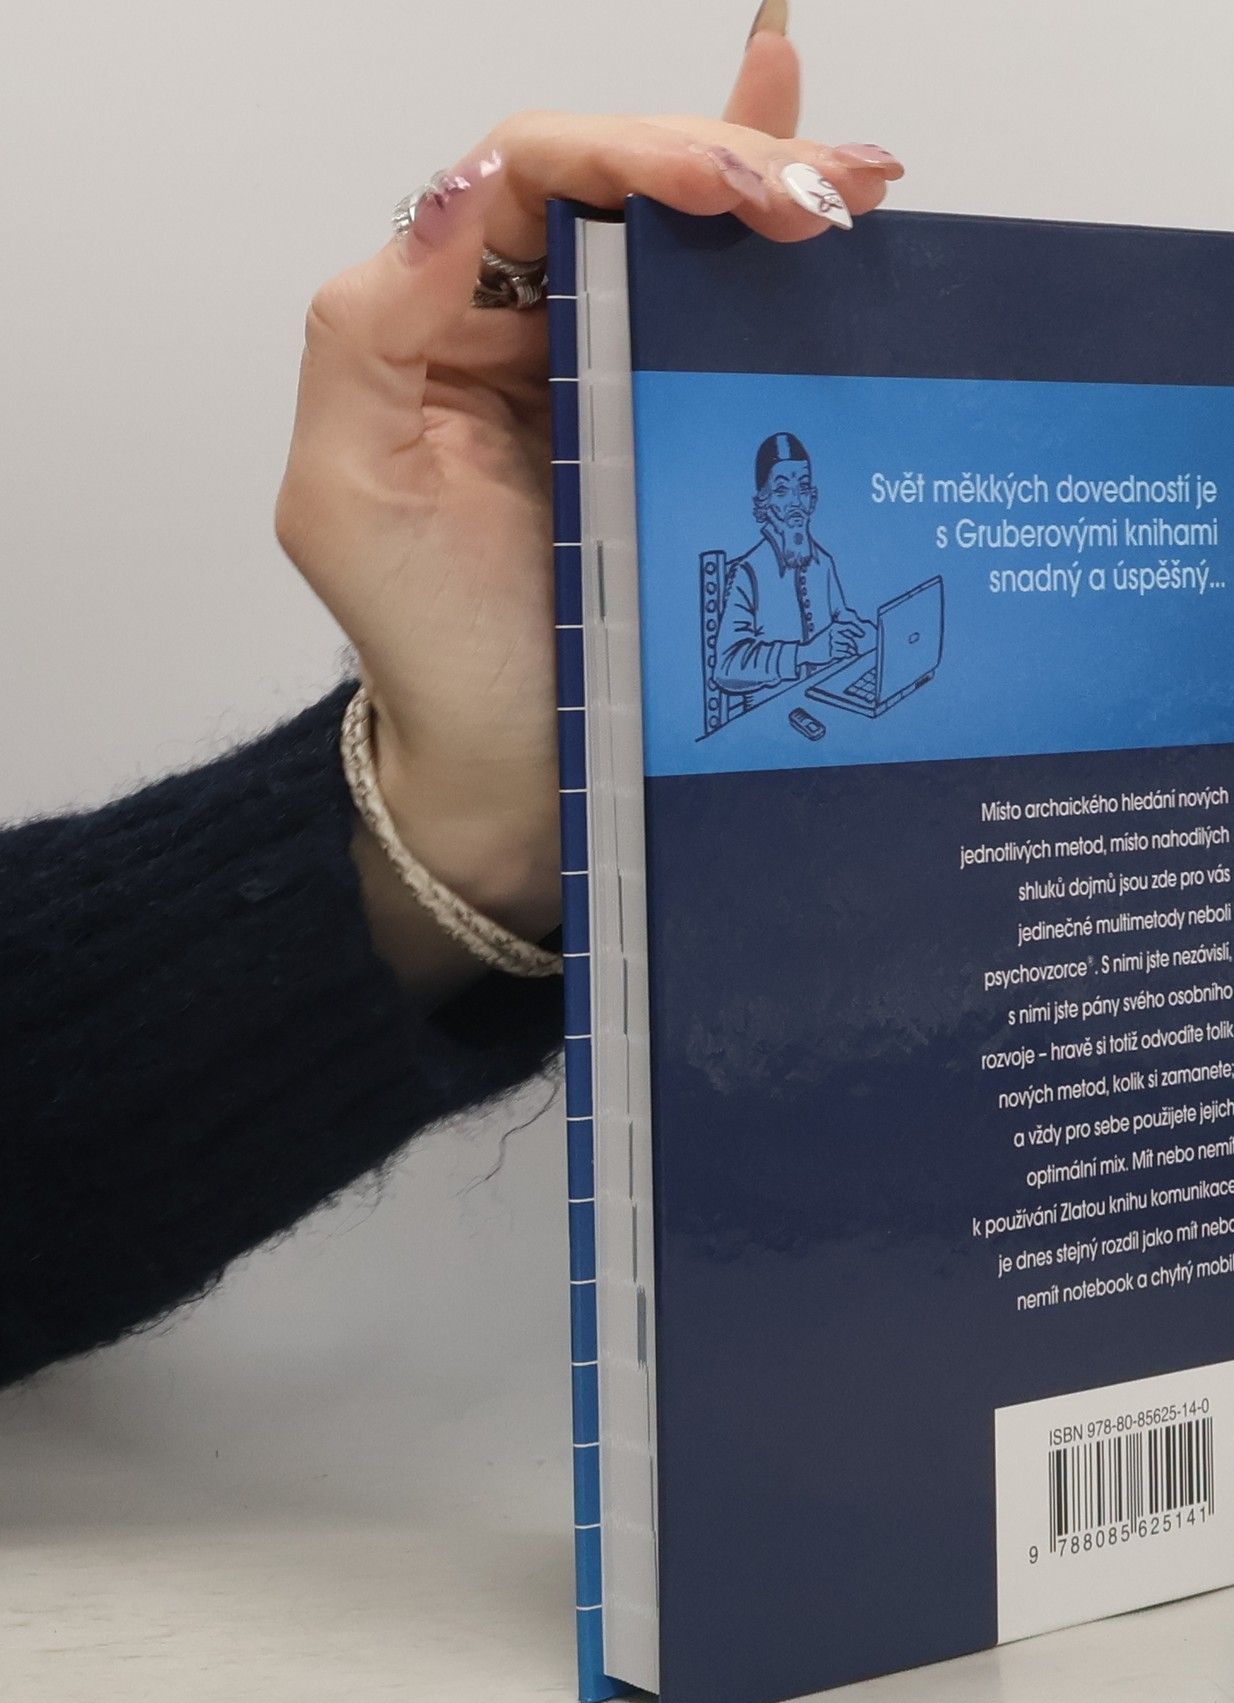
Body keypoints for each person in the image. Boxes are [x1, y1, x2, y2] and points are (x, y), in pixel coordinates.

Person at [0, 5, 904, 1391]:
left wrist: (479, 808)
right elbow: (742, 672)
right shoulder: (737, 578)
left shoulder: (820, 561)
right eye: (776, 493)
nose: (788, 512)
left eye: (797, 494)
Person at [716, 431, 873, 693]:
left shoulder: (823, 562)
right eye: (781, 490)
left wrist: (864, 633)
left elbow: (840, 616)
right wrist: (804, 653)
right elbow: (727, 666)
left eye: (803, 487)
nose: (796, 502)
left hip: (822, 698)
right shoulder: (748, 572)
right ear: (764, 502)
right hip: (770, 708)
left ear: (813, 498)